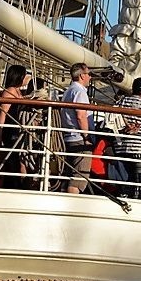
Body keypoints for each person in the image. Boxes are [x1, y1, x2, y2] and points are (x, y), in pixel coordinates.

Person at [60, 63, 94, 194]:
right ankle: (71, 207)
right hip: (79, 138)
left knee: (69, 175)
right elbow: (81, 115)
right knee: (78, 178)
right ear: (81, 76)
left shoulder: (68, 91)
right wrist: (86, 136)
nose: (90, 77)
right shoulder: (79, 92)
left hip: (69, 137)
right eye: (89, 74)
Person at [0, 64, 31, 187]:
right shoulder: (9, 92)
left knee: (20, 159)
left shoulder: (18, 91)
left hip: (18, 131)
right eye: (24, 75)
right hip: (11, 131)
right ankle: (13, 185)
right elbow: (3, 113)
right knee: (13, 160)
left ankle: (19, 183)